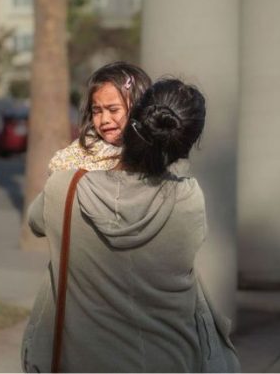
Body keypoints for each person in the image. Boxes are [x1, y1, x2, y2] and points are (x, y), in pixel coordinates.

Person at [22, 78, 241, 372]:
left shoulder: (65, 187)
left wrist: (89, 158)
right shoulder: (188, 198)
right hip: (172, 360)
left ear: (135, 117)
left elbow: (36, 222)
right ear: (186, 145)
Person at [48, 61, 152, 172]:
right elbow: (57, 168)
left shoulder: (154, 149)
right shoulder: (83, 152)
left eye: (113, 110)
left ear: (138, 108)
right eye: (97, 111)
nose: (104, 120)